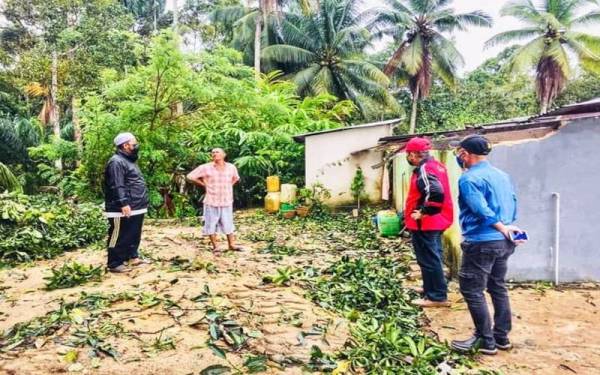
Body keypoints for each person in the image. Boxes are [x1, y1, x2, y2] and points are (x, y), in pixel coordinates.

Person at [450, 135, 525, 355]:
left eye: (459, 152)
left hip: (482, 242)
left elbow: (480, 209)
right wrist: (509, 228)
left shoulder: (468, 179)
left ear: (465, 153)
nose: (458, 156)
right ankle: (501, 337)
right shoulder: (502, 176)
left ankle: (485, 340)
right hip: (504, 241)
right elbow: (511, 202)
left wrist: (501, 228)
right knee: (497, 287)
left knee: (472, 289)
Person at [404, 137, 454, 308]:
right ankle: (430, 288)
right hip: (437, 222)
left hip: (426, 224)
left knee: (428, 259)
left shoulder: (425, 169)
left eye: (408, 154)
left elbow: (435, 191)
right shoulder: (437, 166)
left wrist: (424, 212)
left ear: (413, 154)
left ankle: (436, 296)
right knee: (434, 257)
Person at [104, 132, 150, 273]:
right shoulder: (116, 161)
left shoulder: (129, 160)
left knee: (133, 233)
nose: (136, 146)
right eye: (134, 143)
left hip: (136, 205)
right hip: (121, 207)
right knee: (118, 235)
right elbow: (117, 184)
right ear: (125, 145)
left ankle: (132, 256)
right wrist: (123, 203)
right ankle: (114, 263)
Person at [187, 148, 242, 253]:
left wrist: (228, 186)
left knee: (228, 222)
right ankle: (215, 246)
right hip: (212, 200)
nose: (214, 154)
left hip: (226, 200)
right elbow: (190, 176)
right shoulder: (205, 167)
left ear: (224, 155)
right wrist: (204, 184)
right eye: (212, 152)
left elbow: (236, 178)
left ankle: (232, 244)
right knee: (210, 223)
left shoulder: (231, 167)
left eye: (217, 152)